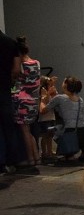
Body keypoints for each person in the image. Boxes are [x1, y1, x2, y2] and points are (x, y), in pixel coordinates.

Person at [43, 76, 84, 162]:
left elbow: (44, 110)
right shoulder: (80, 99)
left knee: (55, 130)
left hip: (72, 134)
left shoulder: (59, 98)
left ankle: (69, 153)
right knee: (70, 129)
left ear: (65, 85)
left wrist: (43, 99)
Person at [11, 36, 41, 166]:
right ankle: (37, 157)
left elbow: (15, 82)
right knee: (30, 131)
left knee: (25, 132)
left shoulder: (21, 66)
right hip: (34, 101)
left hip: (22, 101)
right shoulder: (36, 63)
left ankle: (30, 159)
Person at [0, 29, 21, 175]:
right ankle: (12, 161)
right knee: (9, 127)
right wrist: (10, 81)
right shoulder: (10, 42)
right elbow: (16, 69)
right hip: (4, 89)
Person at [37, 76, 57, 161]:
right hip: (44, 119)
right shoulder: (43, 91)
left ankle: (49, 151)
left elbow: (55, 99)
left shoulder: (51, 90)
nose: (51, 84)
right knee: (45, 136)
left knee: (50, 135)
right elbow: (44, 102)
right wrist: (49, 93)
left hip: (51, 117)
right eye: (49, 83)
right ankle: (44, 152)